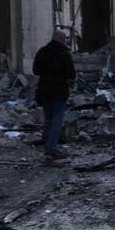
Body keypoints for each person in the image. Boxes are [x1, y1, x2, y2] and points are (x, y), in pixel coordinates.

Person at [33, 28, 75, 161]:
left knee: (48, 118)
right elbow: (71, 74)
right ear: (62, 40)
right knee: (57, 119)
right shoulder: (64, 54)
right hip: (59, 90)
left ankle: (46, 142)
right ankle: (51, 149)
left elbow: (36, 70)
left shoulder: (42, 51)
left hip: (44, 89)